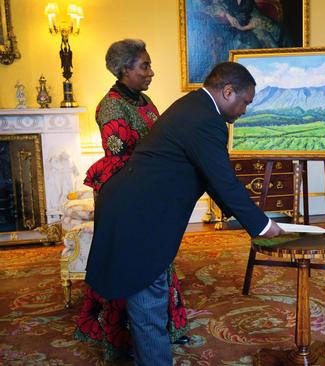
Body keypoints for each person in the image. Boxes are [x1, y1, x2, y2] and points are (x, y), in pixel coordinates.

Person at [85, 61, 284, 365]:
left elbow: (215, 183)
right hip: (138, 219)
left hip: (134, 210)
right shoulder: (206, 120)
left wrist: (256, 225)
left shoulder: (196, 107)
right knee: (149, 302)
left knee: (150, 296)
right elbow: (225, 182)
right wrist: (263, 226)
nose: (245, 110)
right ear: (228, 92)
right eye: (245, 102)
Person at [73, 39, 189, 361]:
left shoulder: (145, 100)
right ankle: (126, 340)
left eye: (150, 65)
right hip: (125, 195)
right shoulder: (109, 105)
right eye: (145, 66)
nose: (151, 72)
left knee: (154, 258)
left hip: (146, 189)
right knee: (129, 263)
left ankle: (159, 330)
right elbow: (122, 156)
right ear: (125, 69)